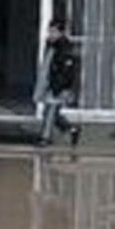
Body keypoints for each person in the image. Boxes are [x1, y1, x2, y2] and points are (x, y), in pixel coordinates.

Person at [34, 19, 81, 147]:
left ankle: (45, 138)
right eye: (50, 31)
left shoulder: (66, 47)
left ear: (61, 32)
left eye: (54, 31)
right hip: (52, 83)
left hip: (61, 86)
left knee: (50, 110)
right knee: (50, 112)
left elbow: (67, 70)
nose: (51, 34)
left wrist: (59, 86)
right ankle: (72, 129)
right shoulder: (51, 45)